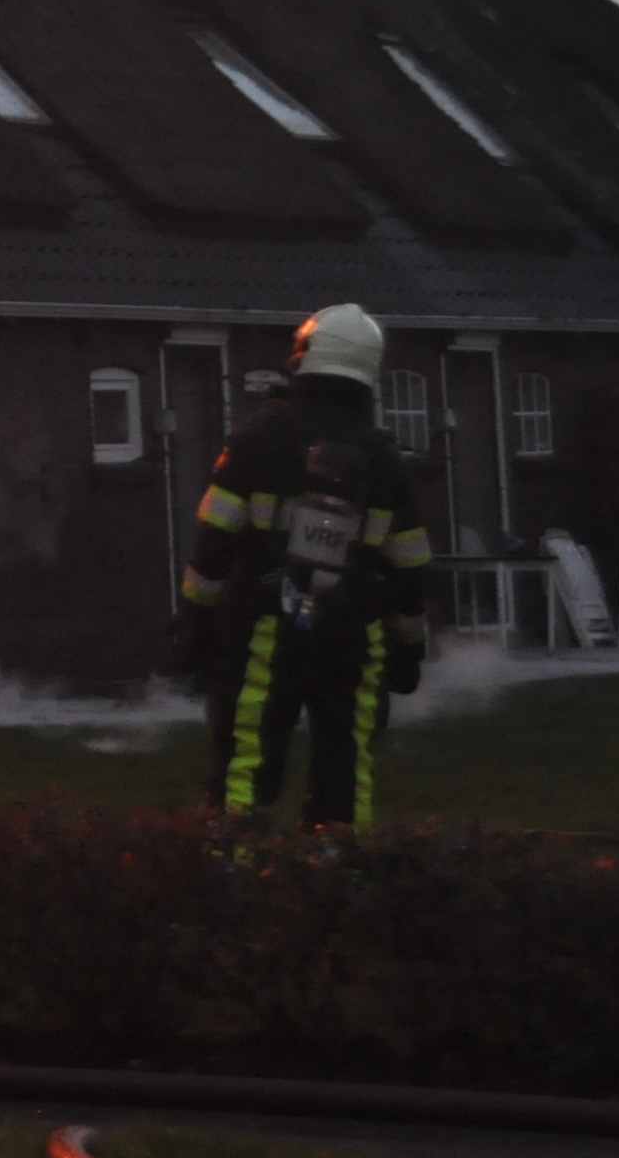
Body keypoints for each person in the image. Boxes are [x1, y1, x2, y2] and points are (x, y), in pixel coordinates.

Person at [184, 303, 434, 827]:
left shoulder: (255, 439)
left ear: (304, 357)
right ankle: (337, 866)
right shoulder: (383, 459)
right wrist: (408, 649)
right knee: (346, 771)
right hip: (354, 637)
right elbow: (411, 568)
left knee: (247, 762)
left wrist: (195, 622)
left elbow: (214, 541)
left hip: (263, 630)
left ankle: (235, 864)